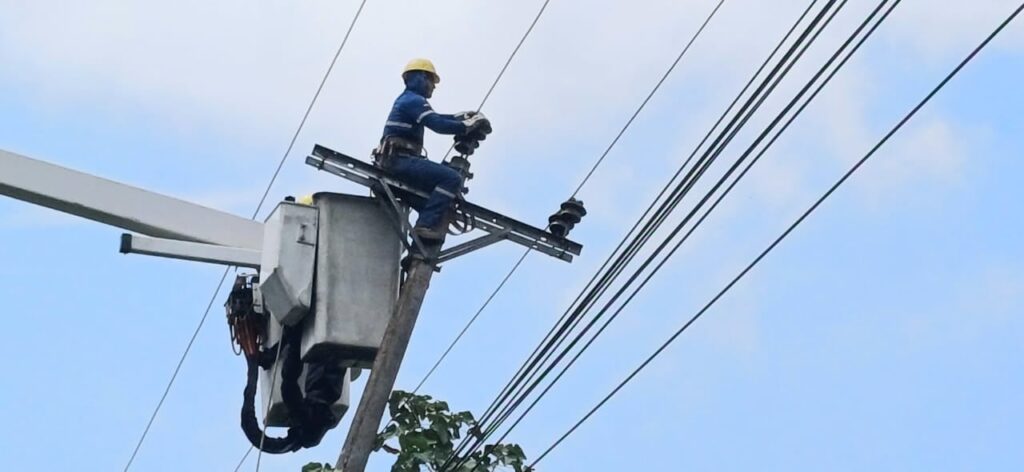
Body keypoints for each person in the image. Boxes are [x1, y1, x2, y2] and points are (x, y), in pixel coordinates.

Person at [377, 58, 489, 242]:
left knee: (434, 199)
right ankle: (424, 226)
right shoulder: (412, 100)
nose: (433, 87)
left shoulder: (410, 101)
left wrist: (458, 117)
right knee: (451, 178)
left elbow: (435, 118)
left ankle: (424, 238)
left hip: (397, 160)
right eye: (431, 81)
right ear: (420, 77)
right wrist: (467, 125)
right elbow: (437, 124)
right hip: (399, 161)